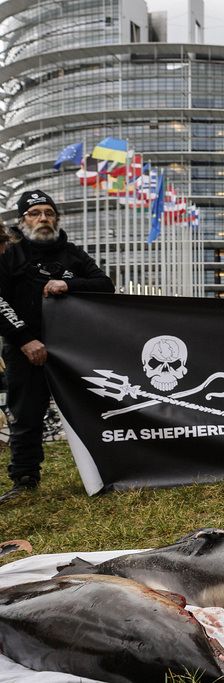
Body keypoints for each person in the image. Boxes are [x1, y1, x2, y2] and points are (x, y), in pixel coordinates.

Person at [0, 189, 114, 504]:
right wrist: (24, 339)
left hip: (72, 351)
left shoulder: (73, 254)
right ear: (22, 220)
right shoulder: (10, 255)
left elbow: (105, 286)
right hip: (26, 350)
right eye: (35, 213)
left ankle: (104, 472)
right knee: (26, 414)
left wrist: (70, 284)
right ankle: (25, 479)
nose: (44, 219)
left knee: (91, 409)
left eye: (49, 213)